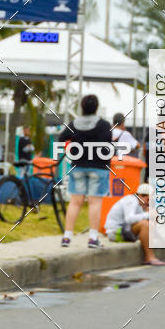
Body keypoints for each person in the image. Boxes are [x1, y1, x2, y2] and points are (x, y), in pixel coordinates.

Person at [58, 94, 112, 249]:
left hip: (78, 166)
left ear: (82, 107)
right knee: (94, 202)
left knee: (75, 202)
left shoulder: (73, 124)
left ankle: (67, 237)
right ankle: (93, 238)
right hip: (99, 167)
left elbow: (62, 139)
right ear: (96, 107)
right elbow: (108, 143)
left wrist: (74, 147)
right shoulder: (104, 125)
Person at [104, 184, 165, 266]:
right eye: (145, 197)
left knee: (149, 220)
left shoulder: (141, 204)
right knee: (144, 224)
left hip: (125, 230)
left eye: (149, 198)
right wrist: (148, 214)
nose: (147, 200)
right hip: (115, 233)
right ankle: (149, 257)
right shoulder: (131, 201)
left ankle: (151, 245)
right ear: (139, 195)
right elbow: (129, 219)